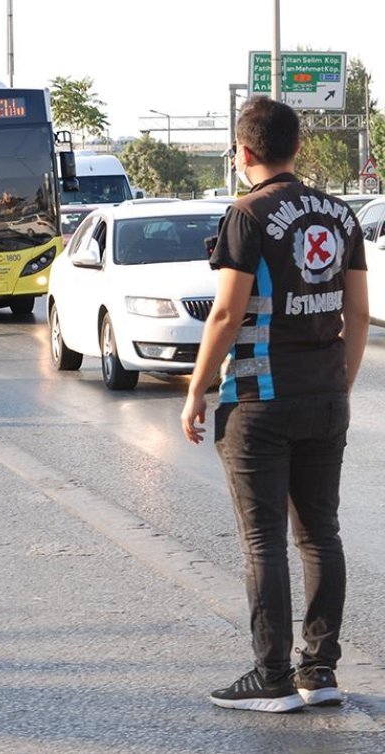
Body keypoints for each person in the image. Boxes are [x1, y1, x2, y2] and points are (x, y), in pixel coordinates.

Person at [180, 96, 368, 714]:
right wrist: (339, 383)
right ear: (296, 148)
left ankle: (271, 676)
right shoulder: (340, 214)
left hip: (260, 399)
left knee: (263, 541)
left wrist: (197, 389)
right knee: (320, 536)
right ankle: (320, 671)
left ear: (245, 152)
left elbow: (228, 314)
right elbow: (359, 313)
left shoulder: (248, 213)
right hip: (325, 396)